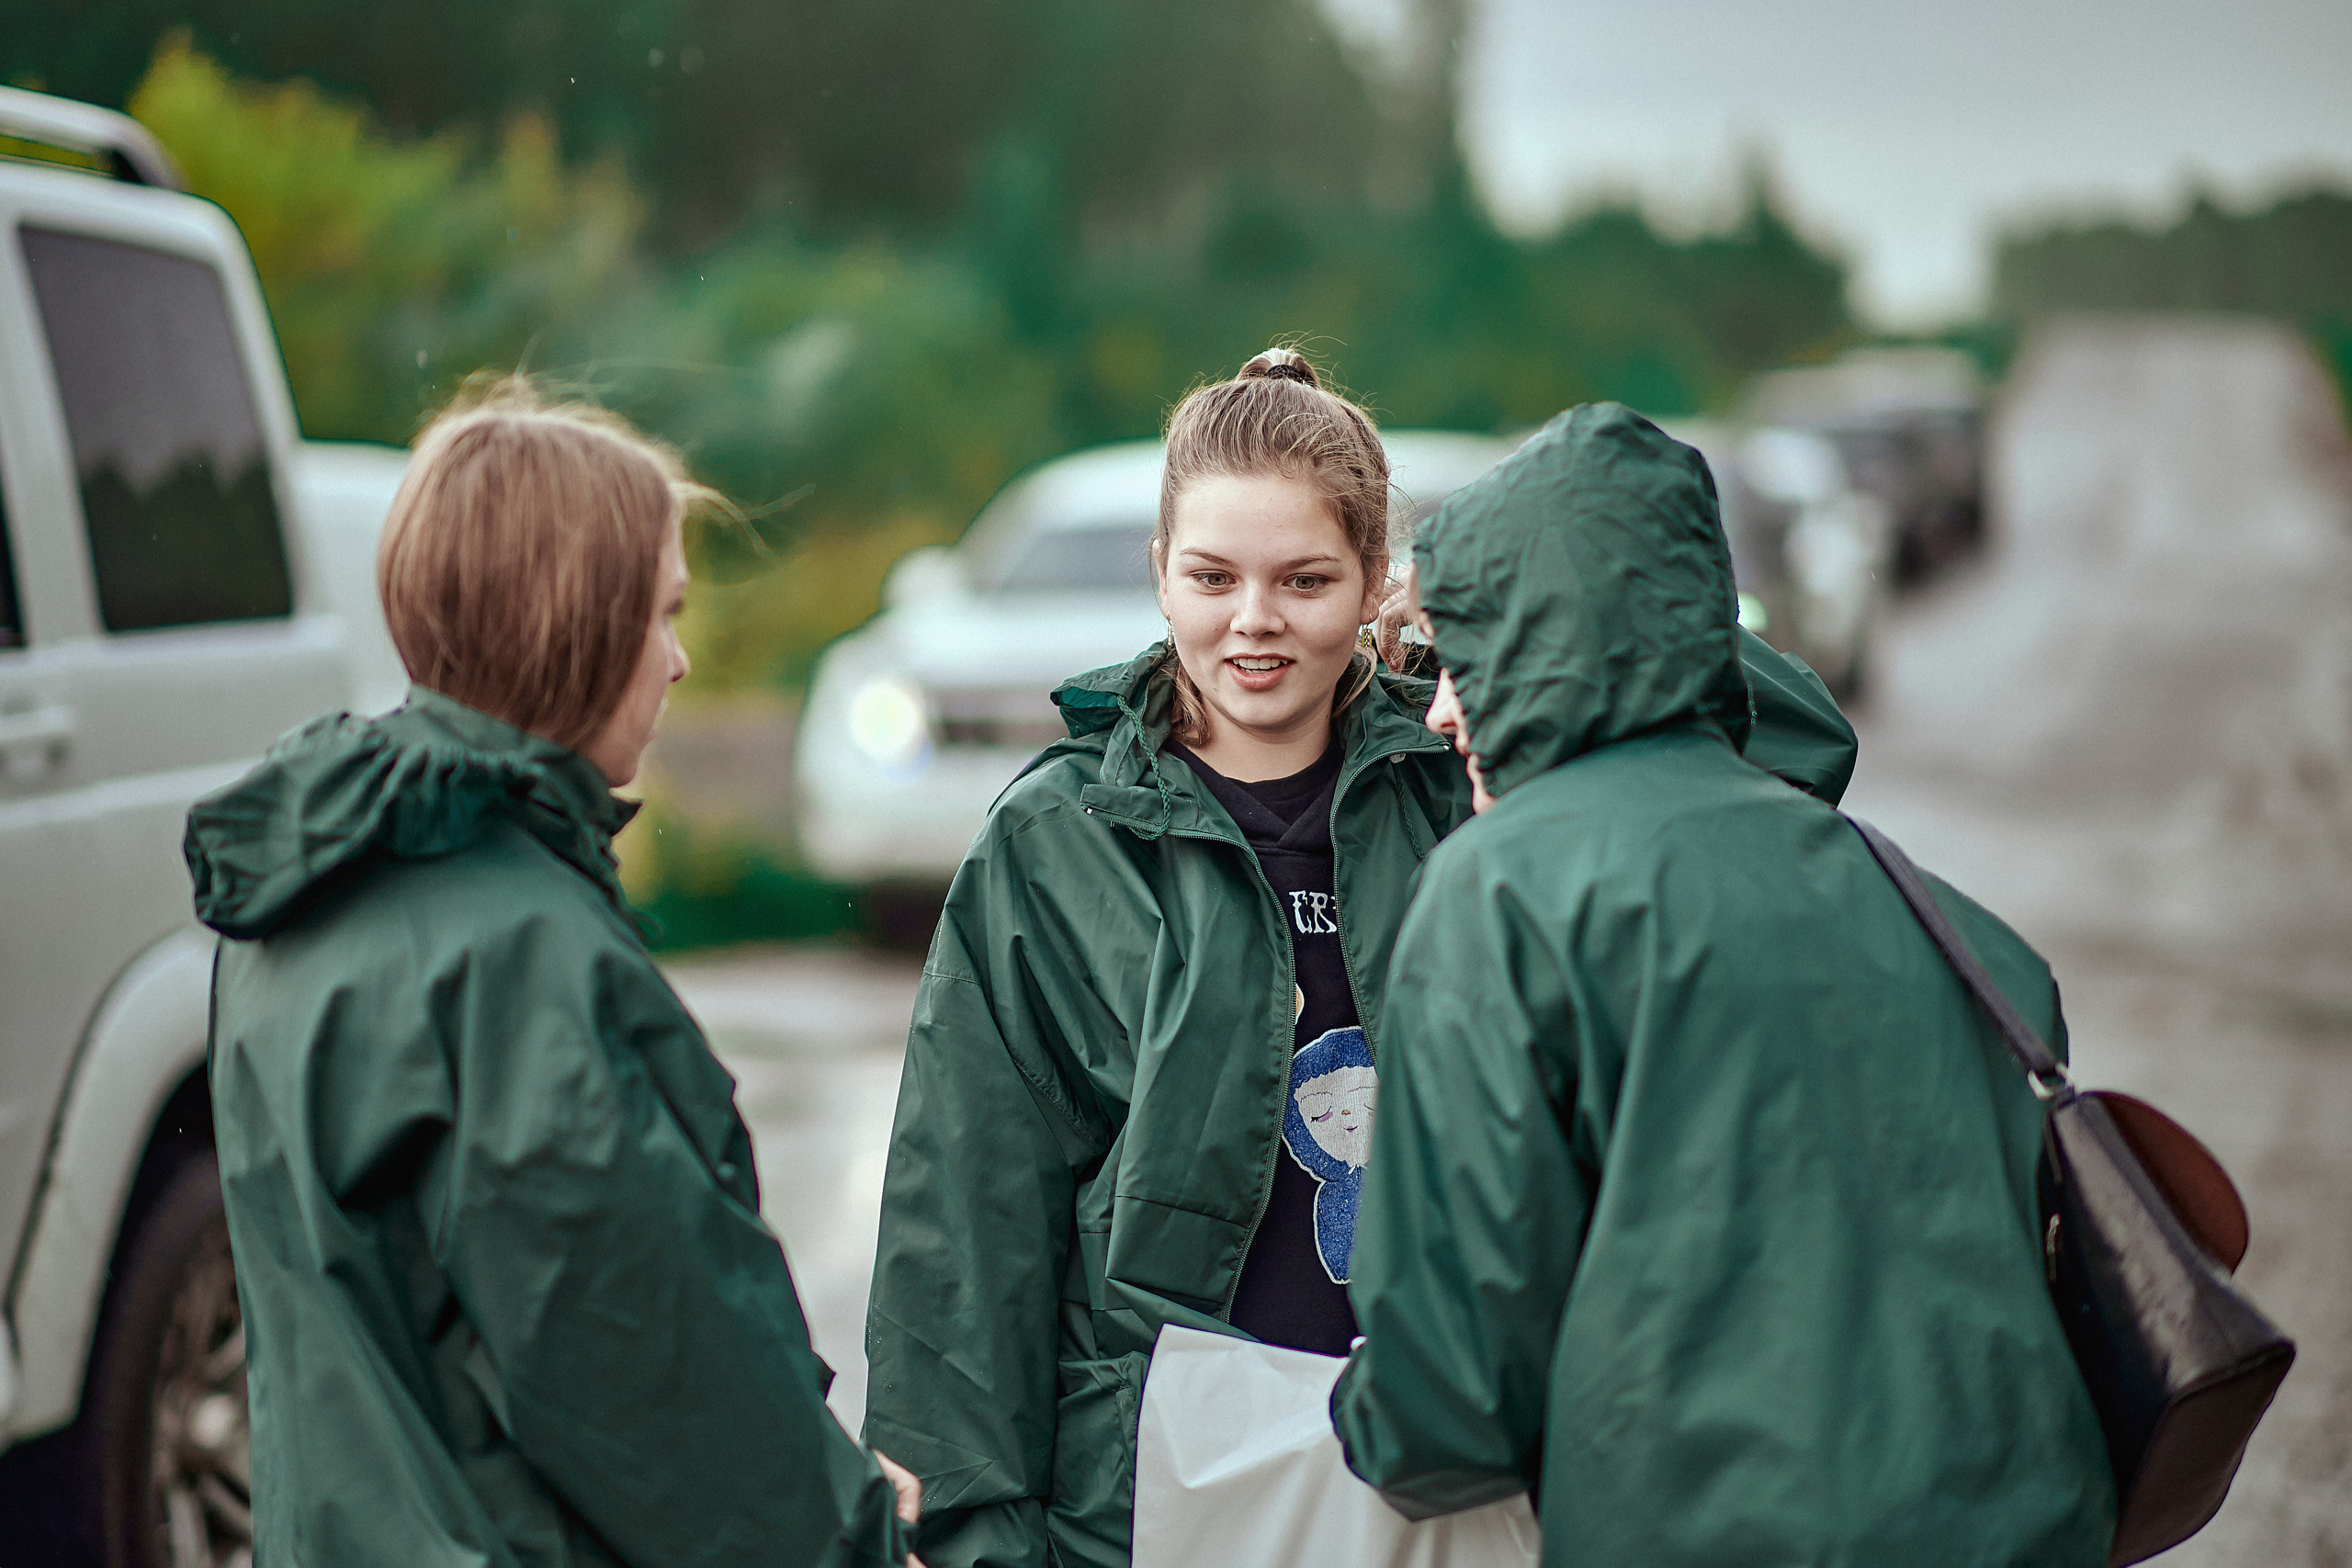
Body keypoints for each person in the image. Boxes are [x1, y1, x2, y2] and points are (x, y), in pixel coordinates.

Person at [861, 350, 1866, 1568]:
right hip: (1155, 1493)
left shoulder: (1470, 773)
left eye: (1306, 578)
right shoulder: (1058, 839)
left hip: (1461, 1473)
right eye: (1211, 575)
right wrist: (977, 1530)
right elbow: (964, 1223)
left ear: (1378, 579)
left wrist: (1487, 603)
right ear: (1159, 571)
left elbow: (1800, 748)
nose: (1253, 620)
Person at [1329, 402, 2116, 1565]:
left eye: (1464, 658)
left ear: (1547, 655)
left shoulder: (1499, 895)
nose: (1439, 708)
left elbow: (1444, 1408)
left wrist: (1348, 1420)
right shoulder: (1955, 928)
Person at [185, 381, 922, 1567]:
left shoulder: (301, 893)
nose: (678, 662)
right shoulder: (517, 953)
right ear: (575, 619)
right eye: (662, 612)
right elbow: (653, 1376)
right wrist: (857, 1535)